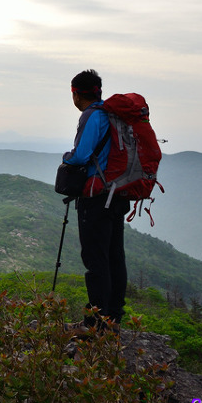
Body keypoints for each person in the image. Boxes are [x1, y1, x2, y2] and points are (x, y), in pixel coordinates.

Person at [63, 69, 129, 336]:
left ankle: (95, 323)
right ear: (98, 91)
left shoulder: (92, 116)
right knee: (114, 257)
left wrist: (67, 156)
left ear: (75, 93)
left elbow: (80, 156)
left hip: (97, 197)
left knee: (96, 260)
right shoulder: (114, 116)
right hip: (118, 194)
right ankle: (113, 319)